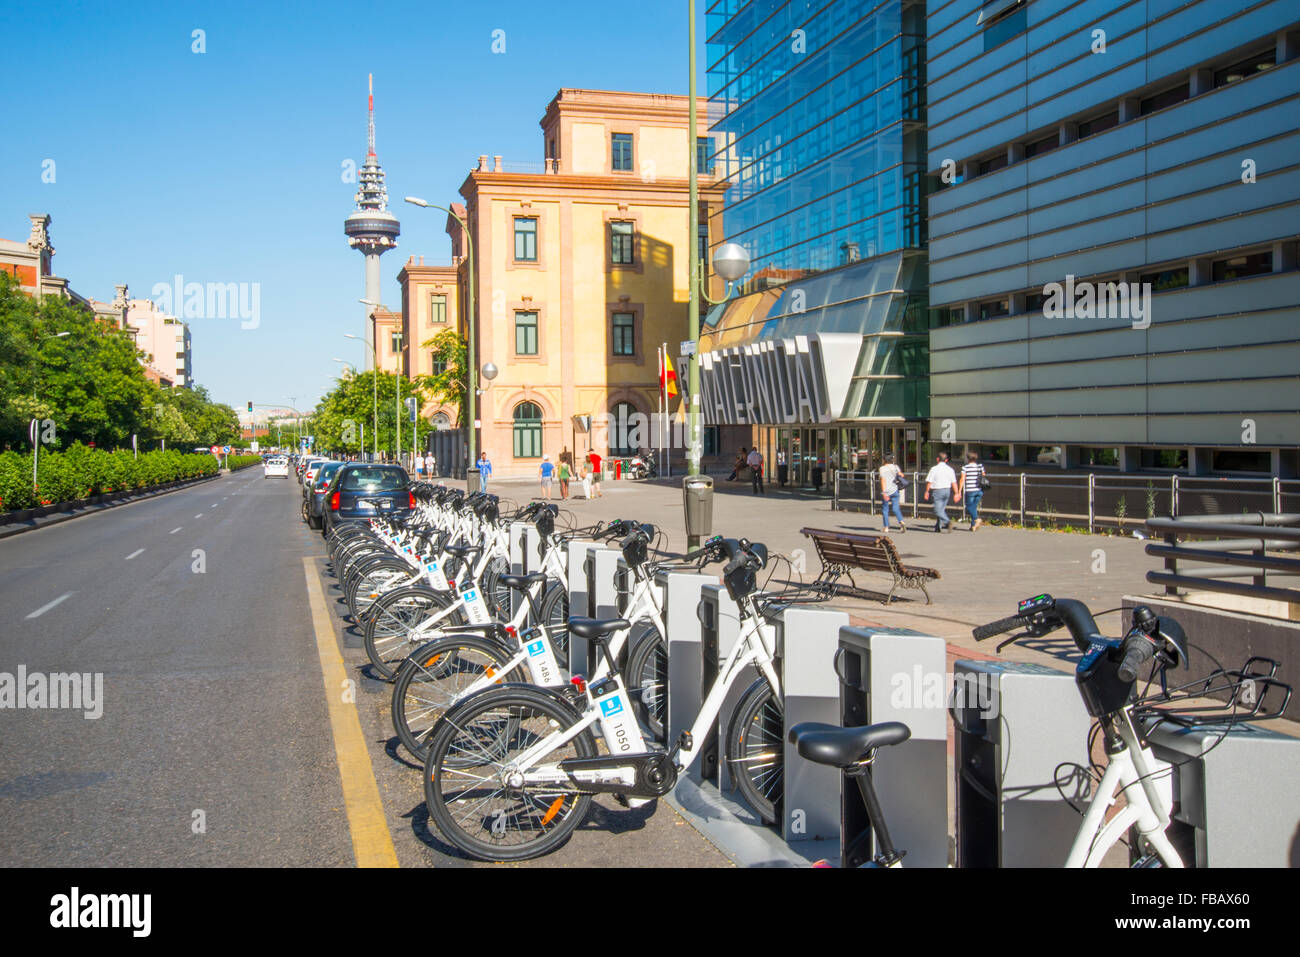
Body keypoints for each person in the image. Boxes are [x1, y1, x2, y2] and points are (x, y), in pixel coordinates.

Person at [923, 451, 958, 533]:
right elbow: (954, 482)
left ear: (937, 459)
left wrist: (927, 491)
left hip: (937, 491)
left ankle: (947, 522)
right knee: (941, 509)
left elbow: (929, 481)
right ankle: (938, 527)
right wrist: (956, 493)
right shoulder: (950, 469)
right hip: (947, 491)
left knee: (937, 510)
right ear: (946, 460)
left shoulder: (934, 469)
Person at [958, 451, 987, 531]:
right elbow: (983, 476)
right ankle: (973, 526)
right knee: (974, 507)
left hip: (970, 490)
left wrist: (959, 490)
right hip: (979, 490)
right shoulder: (980, 466)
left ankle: (976, 519)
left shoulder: (965, 467)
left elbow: (962, 479)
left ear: (968, 458)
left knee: (968, 507)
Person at [878, 453, 906, 533]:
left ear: (884, 460)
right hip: (895, 490)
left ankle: (886, 527)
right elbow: (901, 475)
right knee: (895, 508)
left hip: (887, 491)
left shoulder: (882, 469)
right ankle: (901, 521)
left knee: (885, 509)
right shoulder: (896, 467)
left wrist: (884, 492)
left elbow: (883, 481)